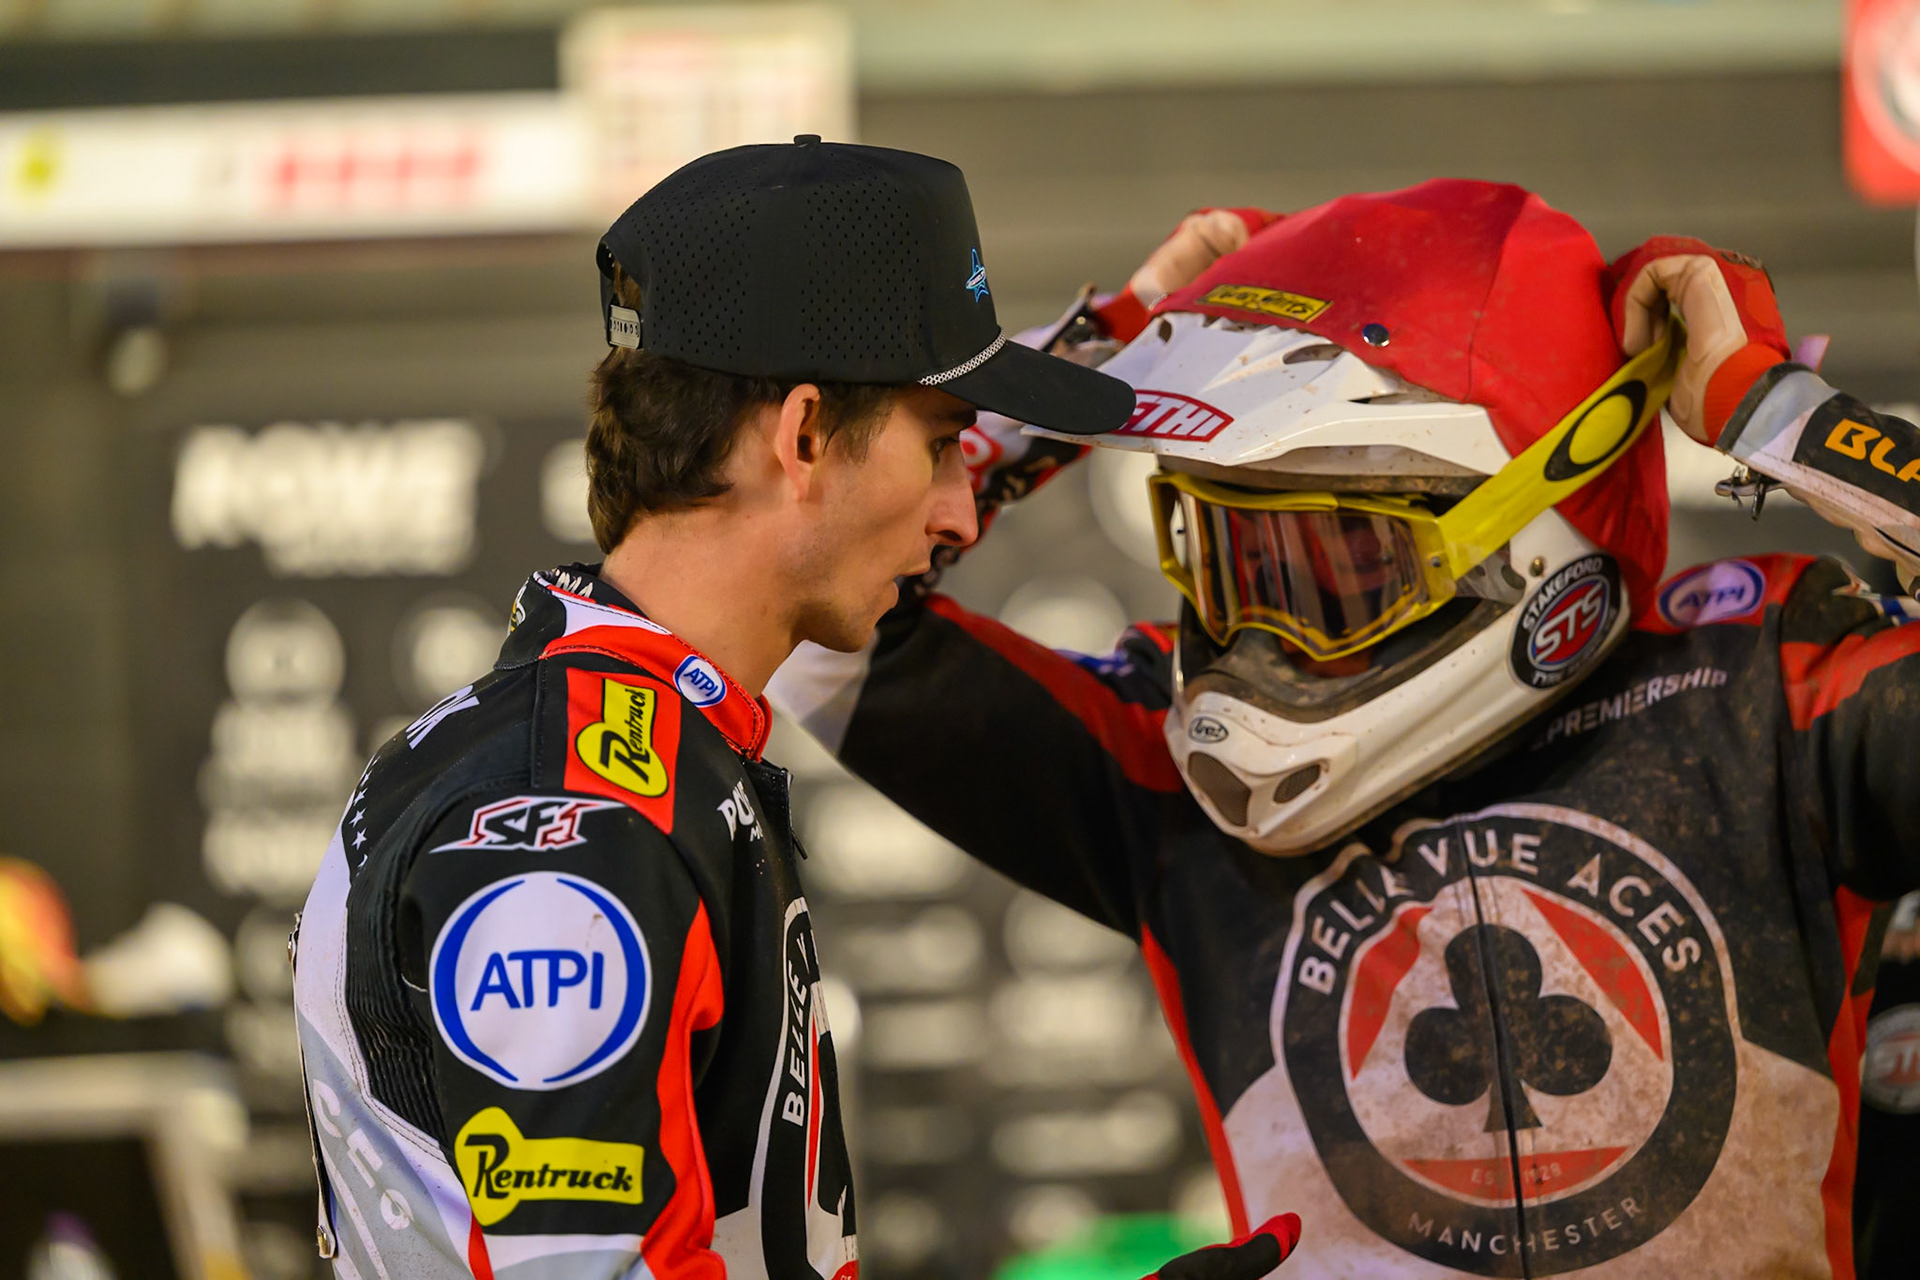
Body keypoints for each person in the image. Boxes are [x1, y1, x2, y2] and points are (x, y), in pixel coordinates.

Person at [769, 178, 1920, 1276]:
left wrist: (1773, 409)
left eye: (1327, 566)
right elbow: (806, 615)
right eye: (1223, 561)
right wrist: (1096, 355)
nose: (1260, 641)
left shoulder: (1771, 691)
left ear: (1537, 525)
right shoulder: (1160, 766)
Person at [287, 136, 1227, 1280]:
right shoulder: (579, 819)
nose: (957, 516)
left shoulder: (611, 749)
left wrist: (1126, 324)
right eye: (939, 449)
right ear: (802, 435)